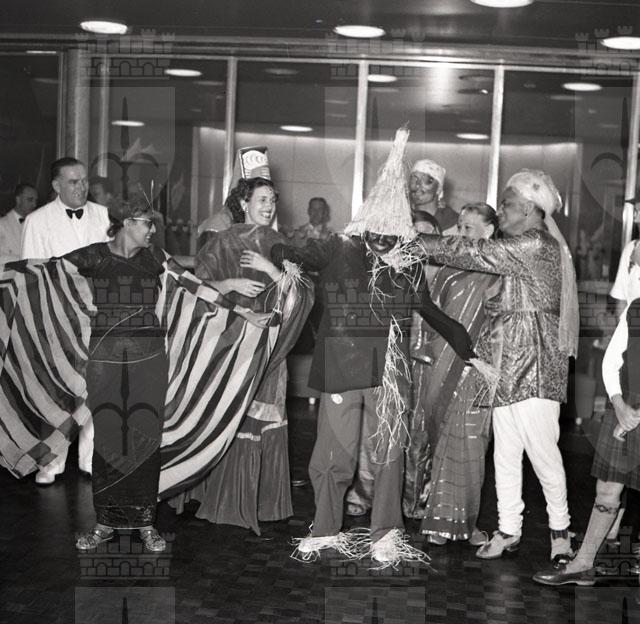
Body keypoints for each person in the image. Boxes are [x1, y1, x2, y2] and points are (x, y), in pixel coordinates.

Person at [0, 193, 295, 552]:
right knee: (108, 443)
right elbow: (40, 272)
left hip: (149, 362)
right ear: (126, 224)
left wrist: (244, 313)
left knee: (144, 440)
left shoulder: (155, 257)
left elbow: (193, 286)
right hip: (106, 363)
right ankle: (104, 523)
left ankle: (144, 523)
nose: (153, 230)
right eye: (146, 223)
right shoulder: (94, 255)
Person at [273, 128, 493, 566]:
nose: (384, 243)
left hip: (387, 372)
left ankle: (386, 533)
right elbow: (293, 252)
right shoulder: (339, 249)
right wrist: (281, 253)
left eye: (393, 237)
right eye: (378, 234)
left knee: (389, 453)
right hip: (339, 367)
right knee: (333, 454)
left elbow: (435, 315)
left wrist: (473, 356)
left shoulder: (407, 266)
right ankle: (325, 527)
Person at [417, 169, 579, 562]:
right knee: (505, 455)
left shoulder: (536, 245)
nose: (501, 211)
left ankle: (560, 532)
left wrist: (415, 242)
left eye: (506, 205)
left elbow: (473, 252)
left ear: (528, 209)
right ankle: (509, 530)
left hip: (536, 368)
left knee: (543, 456)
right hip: (505, 367)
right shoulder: (519, 244)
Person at [169, 177, 314, 534]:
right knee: (226, 412)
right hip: (230, 345)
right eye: (261, 199)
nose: (268, 206)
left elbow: (303, 294)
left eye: (272, 200)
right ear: (244, 203)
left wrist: (271, 270)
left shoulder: (280, 244)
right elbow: (196, 289)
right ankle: (218, 495)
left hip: (269, 346)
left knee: (261, 415)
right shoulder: (223, 241)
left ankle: (259, 501)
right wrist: (230, 285)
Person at [405, 203, 500, 547]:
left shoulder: (499, 271)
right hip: (443, 363)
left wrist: (480, 360)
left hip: (479, 369)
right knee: (443, 441)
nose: (461, 234)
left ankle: (467, 524)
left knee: (471, 446)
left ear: (490, 231)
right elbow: (430, 315)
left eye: (469, 228)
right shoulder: (448, 268)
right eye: (459, 227)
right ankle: (440, 524)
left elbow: (500, 325)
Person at [533, 297, 640, 586]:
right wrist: (620, 406)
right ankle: (583, 564)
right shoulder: (637, 308)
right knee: (606, 490)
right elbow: (612, 361)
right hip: (625, 407)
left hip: (633, 414)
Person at [20, 157, 111, 484]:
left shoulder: (103, 215)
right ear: (56, 185)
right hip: (57, 318)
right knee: (56, 392)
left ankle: (90, 458)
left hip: (97, 316)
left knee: (96, 388)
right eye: (73, 182)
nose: (82, 187)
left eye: (84, 180)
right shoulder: (37, 221)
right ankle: (50, 462)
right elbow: (31, 275)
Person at [409, 160, 458, 234]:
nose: (417, 185)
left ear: (438, 189)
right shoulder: (402, 217)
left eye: (426, 180)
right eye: (413, 180)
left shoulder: (454, 223)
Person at [0, 183, 38, 260]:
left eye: (36, 200)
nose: (34, 204)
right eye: (30, 200)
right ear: (18, 200)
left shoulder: (37, 224)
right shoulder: (2, 225)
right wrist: (26, 260)